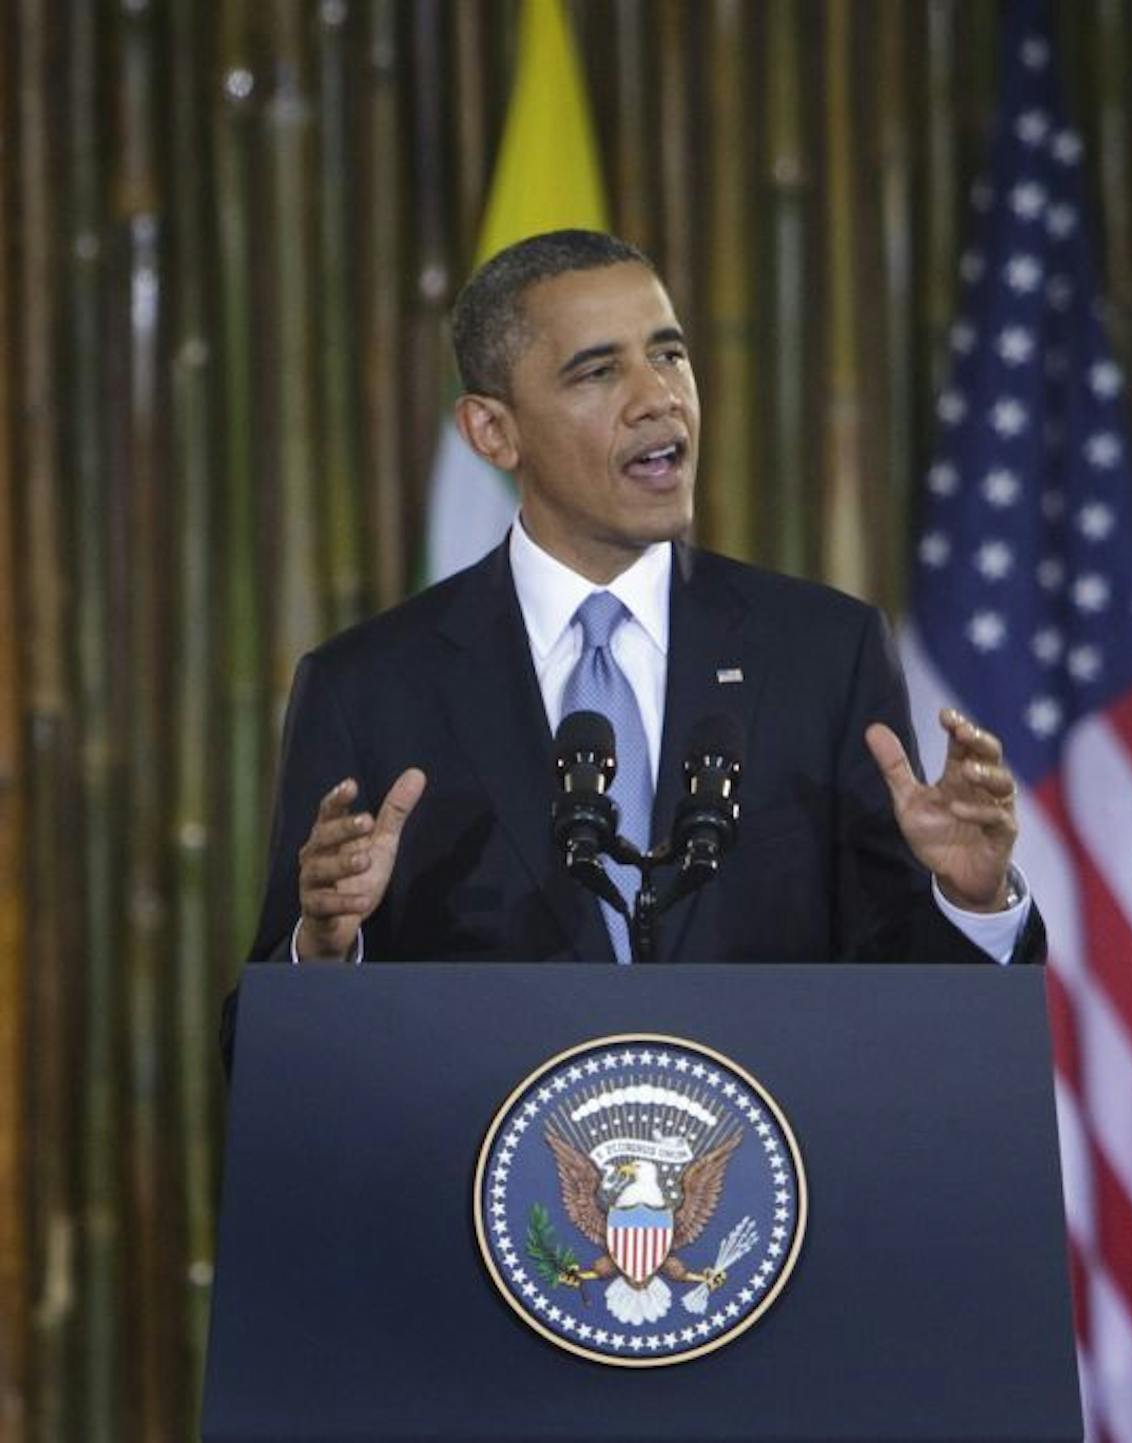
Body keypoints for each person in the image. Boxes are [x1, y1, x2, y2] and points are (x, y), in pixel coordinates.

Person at [243, 229, 1042, 974]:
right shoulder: (371, 690)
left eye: (669, 354)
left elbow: (911, 1025)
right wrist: (322, 949)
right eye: (598, 371)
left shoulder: (823, 657)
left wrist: (972, 901)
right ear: (492, 431)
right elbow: (266, 1057)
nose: (658, 396)